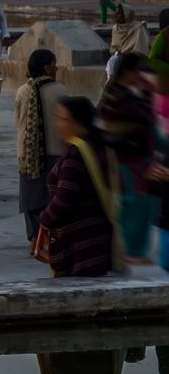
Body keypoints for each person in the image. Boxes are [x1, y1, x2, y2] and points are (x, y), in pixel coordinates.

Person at [37, 96, 120, 278]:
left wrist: (43, 220)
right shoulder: (100, 146)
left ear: (78, 122)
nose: (59, 125)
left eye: (63, 119)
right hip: (98, 236)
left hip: (78, 242)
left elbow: (64, 199)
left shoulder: (75, 155)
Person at [99, 51, 158, 263]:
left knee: (140, 205)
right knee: (135, 206)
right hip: (128, 159)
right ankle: (131, 252)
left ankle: (131, 251)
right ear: (129, 72)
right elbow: (145, 119)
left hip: (135, 159)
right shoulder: (119, 96)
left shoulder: (122, 92)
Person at [16, 48, 69, 242]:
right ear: (47, 68)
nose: (56, 69)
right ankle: (51, 237)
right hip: (56, 152)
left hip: (28, 156)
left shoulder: (23, 90)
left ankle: (34, 238)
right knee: (52, 199)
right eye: (54, 65)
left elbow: (19, 121)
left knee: (31, 198)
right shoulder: (60, 90)